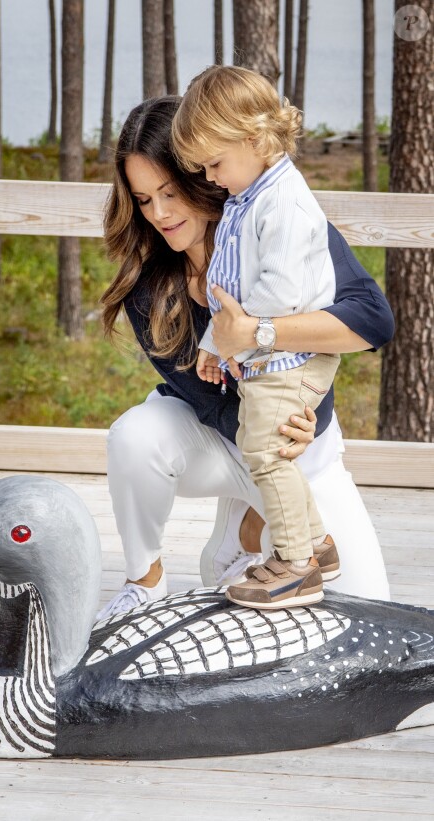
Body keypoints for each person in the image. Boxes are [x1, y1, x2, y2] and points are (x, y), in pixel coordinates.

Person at [96, 96, 393, 621]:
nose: (159, 214)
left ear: (204, 175)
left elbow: (371, 320)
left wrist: (260, 334)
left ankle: (244, 532)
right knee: (135, 435)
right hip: (226, 437)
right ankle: (145, 582)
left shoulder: (284, 225)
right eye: (143, 200)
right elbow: (208, 402)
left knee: (369, 609)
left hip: (303, 451)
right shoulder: (150, 290)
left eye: (170, 192)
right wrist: (278, 426)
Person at [170, 65, 341, 610]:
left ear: (252, 137)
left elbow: (279, 293)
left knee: (266, 456)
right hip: (272, 352)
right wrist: (211, 345)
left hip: (292, 355)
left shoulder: (283, 203)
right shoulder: (252, 195)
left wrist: (225, 343)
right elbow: (234, 286)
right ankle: (316, 544)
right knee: (259, 448)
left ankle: (295, 567)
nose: (211, 178)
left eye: (214, 163)